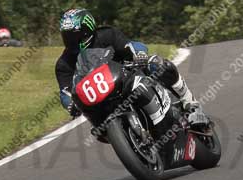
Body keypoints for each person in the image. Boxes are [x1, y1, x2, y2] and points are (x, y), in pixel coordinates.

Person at [55, 8, 202, 128]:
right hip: (102, 102)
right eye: (67, 37)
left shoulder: (107, 35)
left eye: (75, 36)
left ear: (88, 28)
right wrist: (70, 105)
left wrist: (139, 54)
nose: (71, 41)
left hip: (128, 77)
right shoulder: (64, 64)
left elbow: (131, 45)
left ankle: (190, 102)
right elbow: (65, 92)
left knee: (158, 64)